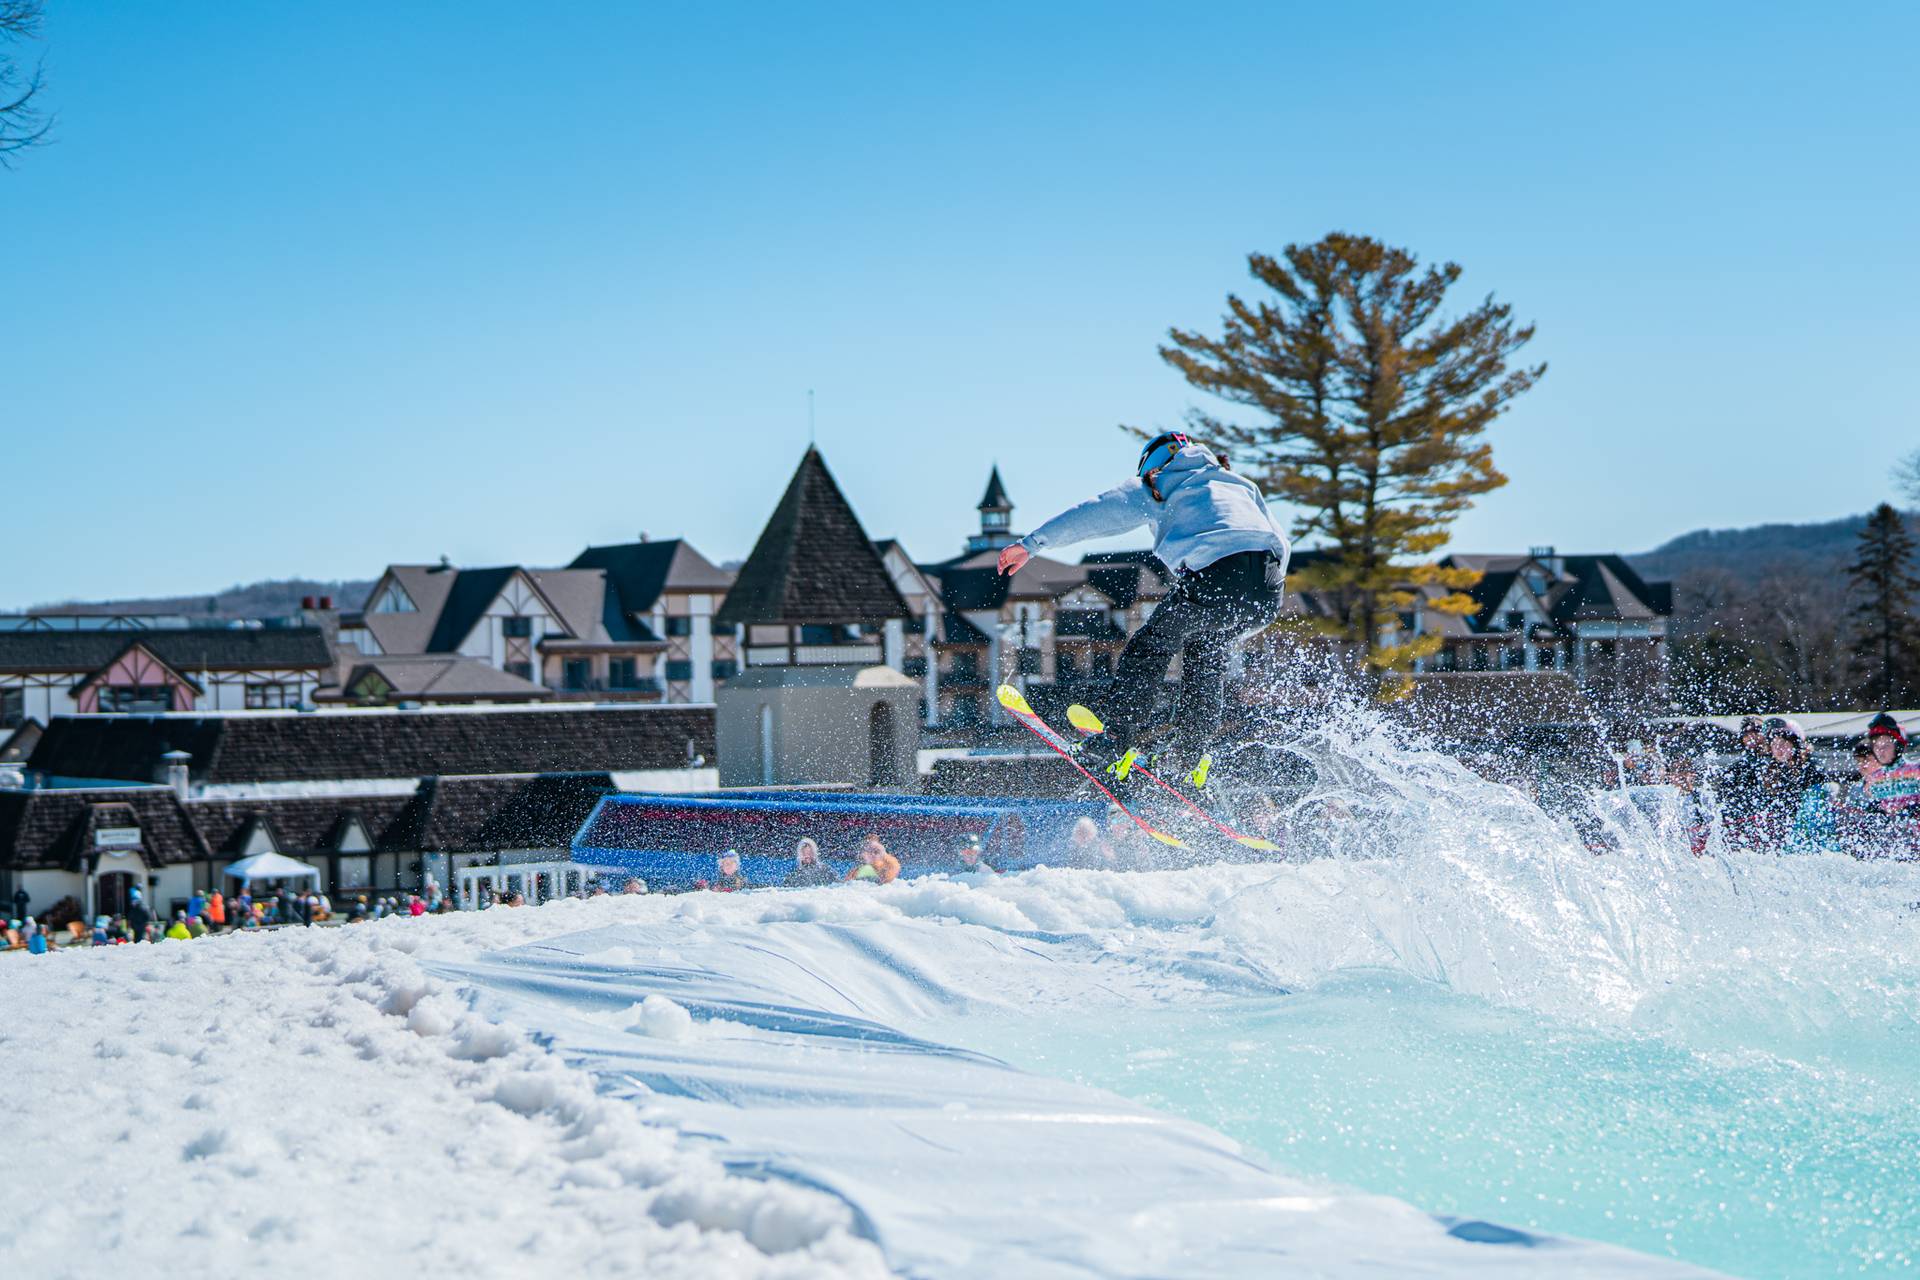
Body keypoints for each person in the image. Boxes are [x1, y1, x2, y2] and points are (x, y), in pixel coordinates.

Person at [997, 432, 1290, 779]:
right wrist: (1261, 589)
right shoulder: (1238, 484)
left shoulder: (1160, 484)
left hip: (1215, 579)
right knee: (1206, 654)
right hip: (1267, 592)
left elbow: (1095, 512)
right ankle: (1189, 755)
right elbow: (1280, 540)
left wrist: (1031, 544)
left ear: (1152, 467)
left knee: (1149, 648)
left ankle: (1115, 740)